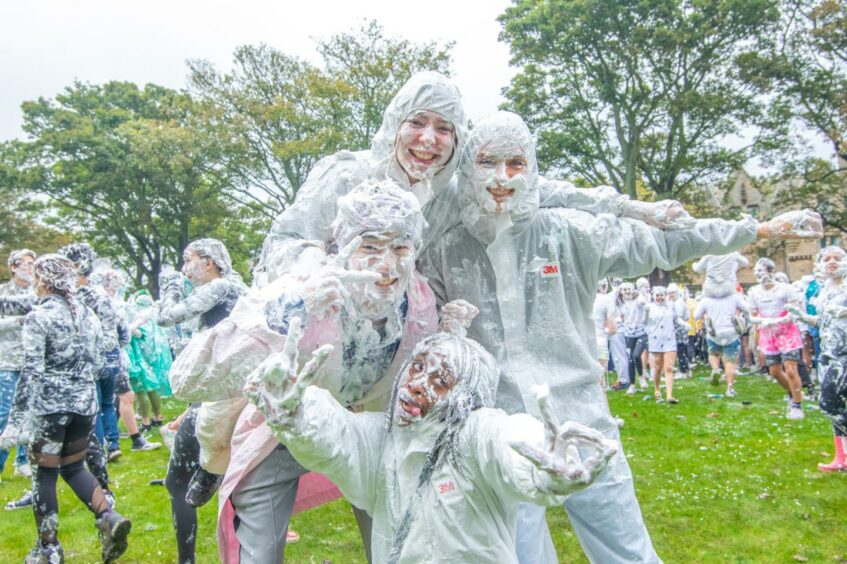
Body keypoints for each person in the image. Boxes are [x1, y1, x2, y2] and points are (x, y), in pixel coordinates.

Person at [418, 110, 822, 563]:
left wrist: (757, 230)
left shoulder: (568, 232)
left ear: (532, 169)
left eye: (516, 164)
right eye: (488, 162)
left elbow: (664, 241)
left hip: (583, 417)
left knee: (625, 549)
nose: (501, 177)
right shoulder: (445, 249)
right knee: (518, 553)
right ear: (468, 164)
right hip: (501, 433)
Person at [170, 180, 440, 562]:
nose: (387, 263)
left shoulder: (419, 300)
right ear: (343, 247)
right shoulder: (303, 285)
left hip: (359, 433)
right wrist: (290, 309)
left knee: (396, 542)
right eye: (370, 246)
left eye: (400, 247)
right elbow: (187, 377)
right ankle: (209, 466)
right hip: (279, 435)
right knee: (259, 552)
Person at [248, 324, 618, 564]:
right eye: (418, 367)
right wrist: (298, 413)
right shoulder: (382, 439)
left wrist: (543, 465)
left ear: (465, 397)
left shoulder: (474, 435)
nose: (418, 384)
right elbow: (337, 437)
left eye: (441, 380)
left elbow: (508, 439)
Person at [0, 254, 131, 563]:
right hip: (85, 405)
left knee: (44, 474)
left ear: (42, 281)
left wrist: (14, 423)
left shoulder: (40, 316)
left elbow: (31, 372)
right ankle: (108, 517)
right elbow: (99, 361)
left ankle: (48, 548)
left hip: (50, 407)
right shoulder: (88, 313)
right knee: (73, 468)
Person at [157, 237, 246, 564]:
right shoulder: (237, 288)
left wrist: (168, 286)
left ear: (209, 262)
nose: (184, 268)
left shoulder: (220, 289)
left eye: (188, 260)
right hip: (236, 397)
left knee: (176, 482)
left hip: (222, 401)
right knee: (238, 484)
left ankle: (187, 561)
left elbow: (166, 317)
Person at [788, 246, 847, 471]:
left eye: (837, 258)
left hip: (845, 354)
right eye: (827, 258)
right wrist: (804, 317)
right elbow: (824, 321)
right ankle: (841, 457)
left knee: (828, 405)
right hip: (828, 354)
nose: (831, 262)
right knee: (836, 405)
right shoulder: (825, 290)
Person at [748, 257, 807, 419]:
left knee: (791, 369)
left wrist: (780, 320)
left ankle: (797, 405)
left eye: (761, 270)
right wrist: (760, 322)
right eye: (755, 272)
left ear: (771, 271)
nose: (758, 274)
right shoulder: (753, 292)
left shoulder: (785, 289)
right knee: (774, 371)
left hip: (787, 333)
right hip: (768, 335)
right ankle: (792, 392)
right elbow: (752, 316)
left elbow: (796, 310)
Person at [0, 249, 36, 480]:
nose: (30, 267)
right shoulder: (3, 293)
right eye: (26, 263)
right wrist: (19, 321)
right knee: (5, 414)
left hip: (31, 362)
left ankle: (23, 460)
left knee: (30, 413)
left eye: (33, 263)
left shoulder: (38, 293)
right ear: (13, 267)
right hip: (6, 361)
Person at [694, 280, 751, 398]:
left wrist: (706, 313)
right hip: (731, 332)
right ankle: (729, 389)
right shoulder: (734, 297)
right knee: (729, 362)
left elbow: (696, 316)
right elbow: (747, 309)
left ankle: (715, 369)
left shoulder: (706, 299)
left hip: (714, 332)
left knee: (713, 354)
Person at [644, 286, 681, 403]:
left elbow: (676, 319)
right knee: (658, 368)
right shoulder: (649, 307)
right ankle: (657, 389)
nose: (660, 297)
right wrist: (645, 312)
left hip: (669, 338)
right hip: (656, 339)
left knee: (669, 367)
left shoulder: (671, 305)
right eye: (657, 295)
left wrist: (685, 324)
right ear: (654, 296)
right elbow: (644, 322)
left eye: (662, 295)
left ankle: (669, 395)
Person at [619, 282, 649, 392]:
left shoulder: (638, 300)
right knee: (630, 359)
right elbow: (621, 317)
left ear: (633, 290)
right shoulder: (621, 304)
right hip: (628, 334)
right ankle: (632, 385)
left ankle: (641, 377)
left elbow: (645, 304)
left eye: (629, 289)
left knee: (636, 355)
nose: (627, 291)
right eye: (625, 289)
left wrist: (641, 299)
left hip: (641, 333)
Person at [667, 284, 691, 379]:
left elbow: (678, 317)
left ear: (676, 293)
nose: (670, 295)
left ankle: (683, 371)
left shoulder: (678, 303)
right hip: (679, 329)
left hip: (680, 329)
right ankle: (686, 369)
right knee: (681, 350)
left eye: (672, 293)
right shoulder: (676, 302)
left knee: (681, 350)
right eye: (669, 293)